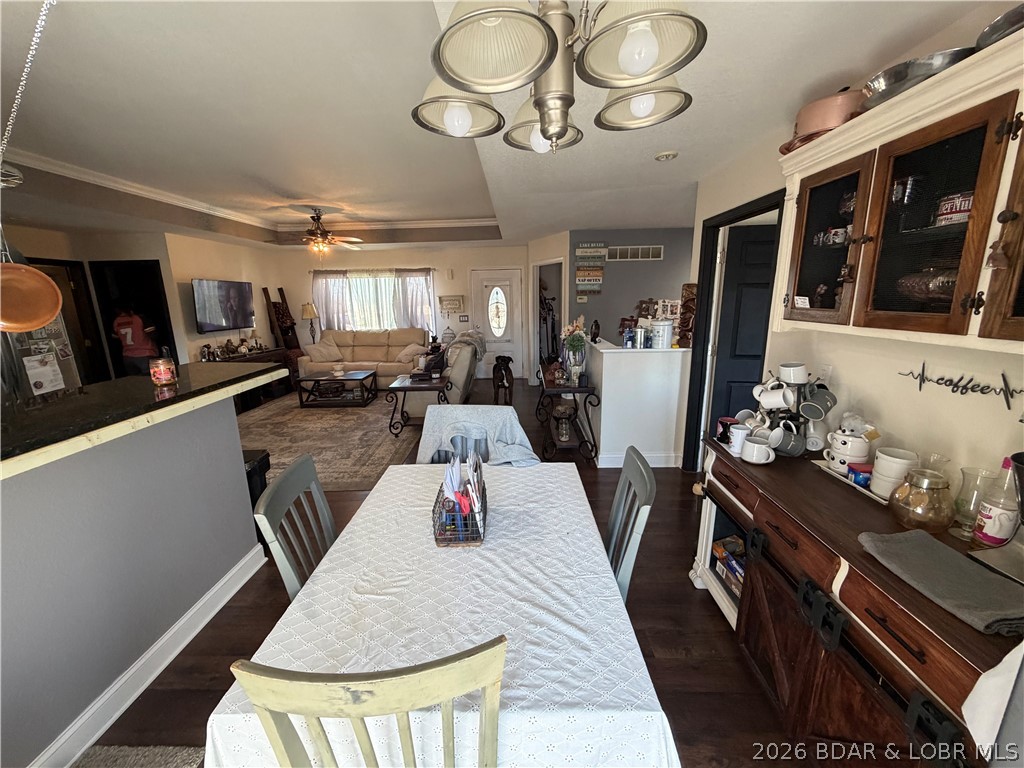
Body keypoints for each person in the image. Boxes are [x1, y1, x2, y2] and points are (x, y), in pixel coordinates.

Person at [112, 305, 159, 375]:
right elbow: (153, 334)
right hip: (145, 354)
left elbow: (115, 337)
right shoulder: (139, 318)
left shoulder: (116, 322)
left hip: (127, 356)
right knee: (149, 381)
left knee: (135, 382)